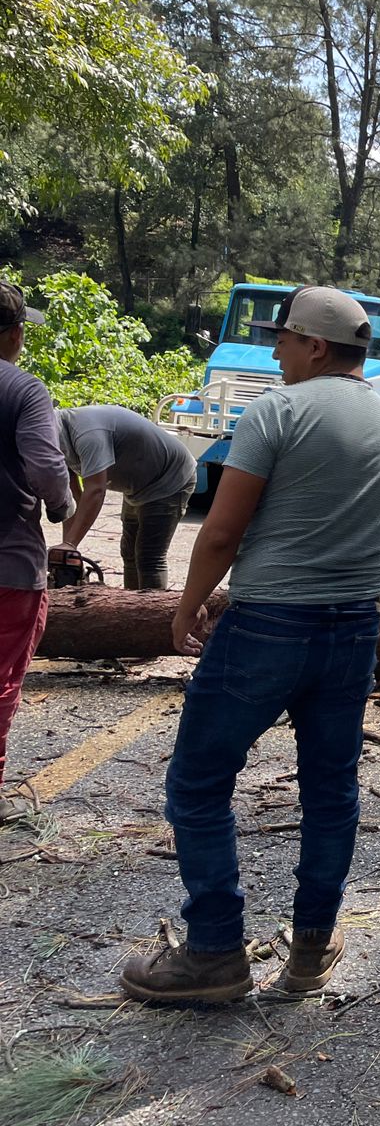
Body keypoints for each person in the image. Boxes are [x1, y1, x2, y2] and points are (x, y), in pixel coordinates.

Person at [118, 286, 380, 1003]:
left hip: (267, 627)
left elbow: (221, 532)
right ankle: (312, 945)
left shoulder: (276, 412)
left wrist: (185, 609)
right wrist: (368, 619)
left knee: (197, 781)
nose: (276, 350)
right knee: (329, 786)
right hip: (350, 628)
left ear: (315, 345)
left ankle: (215, 952)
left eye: (283, 338)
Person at [0, 281, 72, 824]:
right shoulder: (24, 390)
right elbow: (47, 468)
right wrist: (63, 505)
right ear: (16, 334)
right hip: (9, 562)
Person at [57, 405, 198, 591]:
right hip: (137, 487)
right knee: (129, 553)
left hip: (169, 479)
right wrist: (67, 551)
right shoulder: (57, 442)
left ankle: (152, 616)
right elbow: (75, 499)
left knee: (149, 556)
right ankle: (131, 610)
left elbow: (96, 491)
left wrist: (70, 544)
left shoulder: (88, 434)